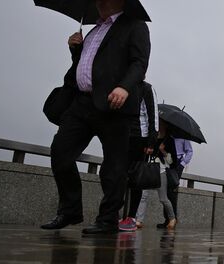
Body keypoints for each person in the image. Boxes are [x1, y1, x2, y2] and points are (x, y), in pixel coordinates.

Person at [41, 0, 151, 234]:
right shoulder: (94, 30)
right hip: (81, 103)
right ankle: (70, 210)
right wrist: (75, 50)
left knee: (114, 166)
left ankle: (107, 219)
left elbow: (139, 63)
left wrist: (124, 87)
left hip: (114, 103)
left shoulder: (135, 25)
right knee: (60, 152)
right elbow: (90, 65)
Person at [118, 82, 157, 231]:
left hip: (139, 138)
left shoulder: (146, 88)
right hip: (121, 135)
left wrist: (151, 142)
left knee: (136, 179)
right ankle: (112, 213)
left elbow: (153, 116)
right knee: (117, 175)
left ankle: (131, 217)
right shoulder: (121, 85)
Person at [131, 135, 177, 230]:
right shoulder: (150, 136)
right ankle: (139, 220)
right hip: (148, 170)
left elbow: (172, 162)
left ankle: (172, 218)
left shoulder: (168, 140)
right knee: (143, 195)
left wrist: (163, 151)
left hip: (161, 171)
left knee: (163, 198)